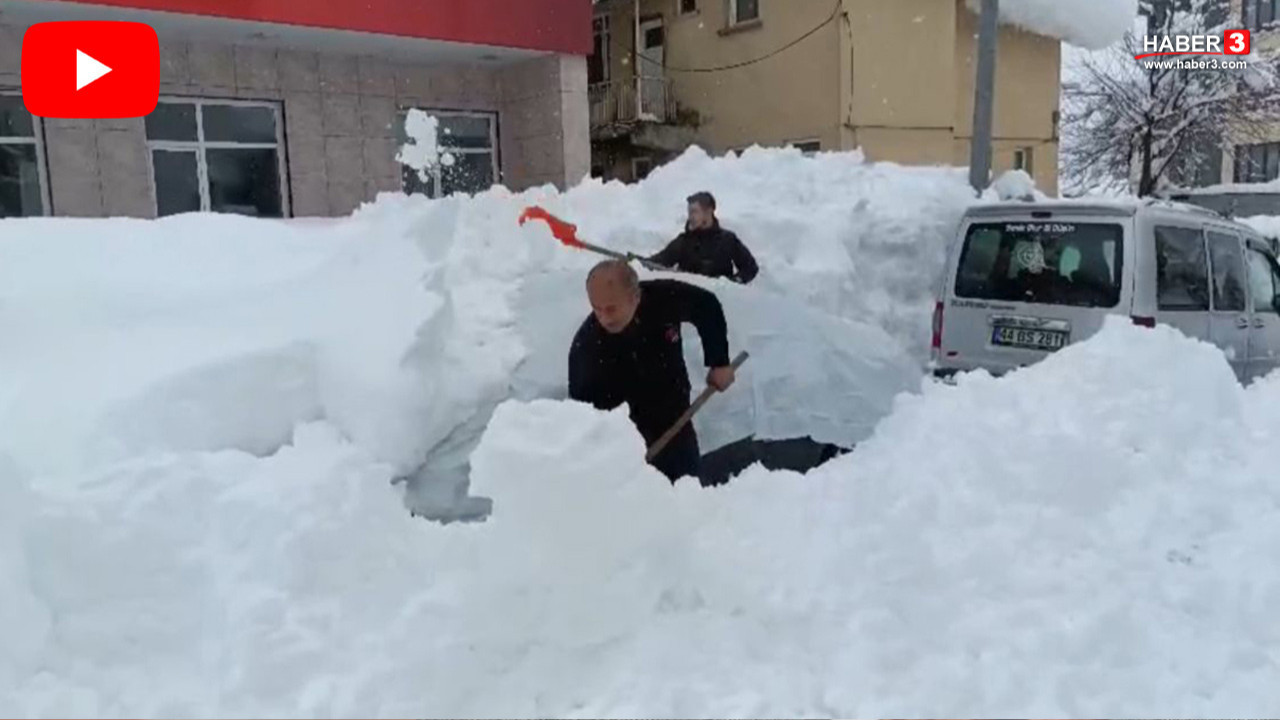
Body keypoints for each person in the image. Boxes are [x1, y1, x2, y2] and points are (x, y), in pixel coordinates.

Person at [568, 259, 737, 483]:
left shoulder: (663, 300)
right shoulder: (587, 349)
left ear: (635, 297)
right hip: (628, 443)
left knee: (688, 493)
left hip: (676, 419)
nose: (604, 318)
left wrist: (719, 362)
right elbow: (583, 415)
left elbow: (706, 305)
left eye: (611, 309)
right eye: (597, 309)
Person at [646, 191, 759, 284]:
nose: (691, 217)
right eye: (689, 212)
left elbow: (750, 268)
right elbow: (658, 262)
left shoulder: (727, 240)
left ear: (708, 211)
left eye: (694, 212)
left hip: (721, 304)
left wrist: (733, 283)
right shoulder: (683, 242)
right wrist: (636, 261)